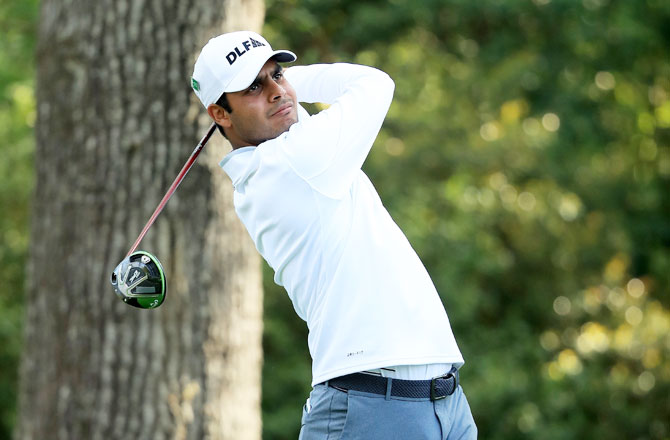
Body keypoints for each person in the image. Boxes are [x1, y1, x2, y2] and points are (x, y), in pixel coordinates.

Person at [191, 31, 477, 439]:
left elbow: (290, 109)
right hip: (372, 406)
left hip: (441, 401)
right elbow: (374, 83)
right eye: (253, 85)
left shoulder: (286, 149)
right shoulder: (290, 161)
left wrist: (275, 89)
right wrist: (294, 85)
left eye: (278, 73)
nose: (275, 91)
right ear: (220, 114)